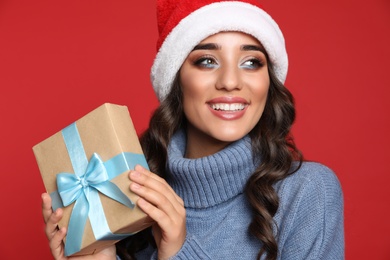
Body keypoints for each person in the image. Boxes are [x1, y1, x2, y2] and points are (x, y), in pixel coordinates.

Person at [41, 0, 344, 259]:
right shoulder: (130, 192)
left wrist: (179, 251)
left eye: (251, 62)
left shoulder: (308, 192)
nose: (230, 81)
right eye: (207, 61)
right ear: (176, 80)